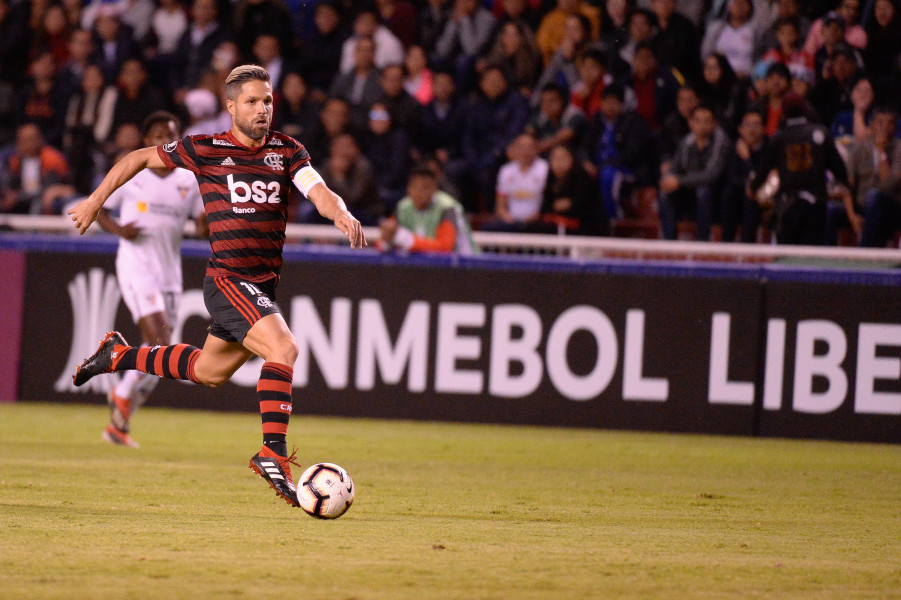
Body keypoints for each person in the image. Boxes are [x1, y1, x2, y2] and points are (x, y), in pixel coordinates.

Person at [67, 65, 367, 508]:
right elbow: (136, 158)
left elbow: (317, 189)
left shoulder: (286, 150)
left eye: (267, 100)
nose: (262, 109)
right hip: (227, 280)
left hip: (261, 284)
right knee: (283, 349)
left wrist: (339, 212)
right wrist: (95, 202)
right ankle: (273, 454)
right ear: (230, 107)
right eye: (252, 101)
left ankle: (119, 354)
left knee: (209, 372)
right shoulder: (205, 149)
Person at [93, 111, 207, 447]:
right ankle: (123, 392)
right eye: (157, 135)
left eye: (170, 136)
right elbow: (99, 207)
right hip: (135, 267)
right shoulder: (132, 174)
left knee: (163, 350)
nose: (164, 141)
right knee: (158, 338)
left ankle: (119, 416)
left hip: (169, 273)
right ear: (146, 141)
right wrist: (119, 229)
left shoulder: (188, 180)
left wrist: (207, 224)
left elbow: (202, 223)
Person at [749, 95, 849, 245]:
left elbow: (763, 170)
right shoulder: (821, 133)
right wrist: (846, 186)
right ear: (805, 109)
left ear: (783, 113)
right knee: (814, 252)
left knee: (787, 255)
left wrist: (752, 187)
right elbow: (839, 168)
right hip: (817, 205)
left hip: (788, 204)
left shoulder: (779, 138)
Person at [658, 103, 731, 241]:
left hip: (716, 194)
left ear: (714, 123)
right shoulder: (687, 141)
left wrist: (679, 181)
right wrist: (668, 179)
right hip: (689, 192)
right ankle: (669, 242)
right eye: (697, 121)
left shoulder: (721, 141)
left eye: (706, 121)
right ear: (690, 123)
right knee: (665, 192)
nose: (701, 125)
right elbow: (675, 168)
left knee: (703, 191)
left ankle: (702, 242)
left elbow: (711, 176)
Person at [379, 166, 478, 254]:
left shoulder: (447, 207)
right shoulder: (403, 207)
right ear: (408, 189)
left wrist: (407, 240)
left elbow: (446, 247)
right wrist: (387, 242)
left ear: (435, 189)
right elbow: (382, 240)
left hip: (466, 265)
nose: (420, 192)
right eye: (415, 187)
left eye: (425, 187)